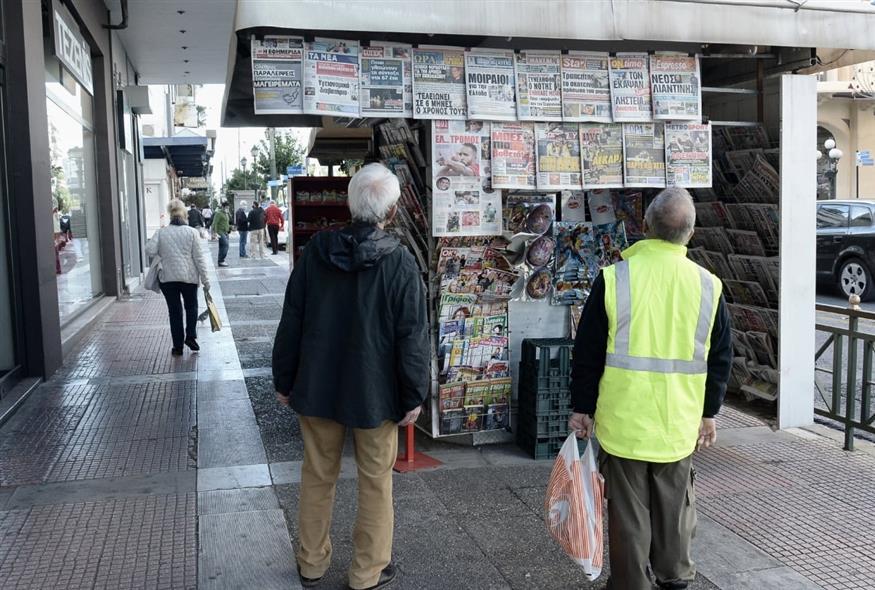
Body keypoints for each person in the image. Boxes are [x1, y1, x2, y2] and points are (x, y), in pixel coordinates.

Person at [272, 163, 429, 590]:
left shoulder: (315, 254)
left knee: (317, 473)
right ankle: (367, 571)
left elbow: (292, 322)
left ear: (348, 203)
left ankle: (311, 562)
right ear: (392, 212)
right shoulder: (399, 263)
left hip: (317, 385)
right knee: (376, 481)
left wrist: (284, 381)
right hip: (376, 393)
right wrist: (414, 395)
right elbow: (411, 337)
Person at [568, 187, 732, 590]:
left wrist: (581, 408)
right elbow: (721, 357)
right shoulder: (708, 286)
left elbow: (587, 352)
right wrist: (709, 413)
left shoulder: (614, 279)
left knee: (629, 514)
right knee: (676, 507)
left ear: (644, 227)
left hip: (624, 422)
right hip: (678, 423)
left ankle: (630, 583)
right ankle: (675, 576)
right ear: (690, 235)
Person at [145, 199, 210, 357]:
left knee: (174, 312)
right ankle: (191, 336)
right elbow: (199, 259)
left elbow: (150, 250)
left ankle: (177, 346)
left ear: (170, 214)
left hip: (168, 279)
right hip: (189, 278)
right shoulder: (192, 232)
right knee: (191, 307)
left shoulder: (161, 232)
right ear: (184, 214)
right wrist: (206, 280)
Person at [213, 201, 231, 267]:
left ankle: (220, 261)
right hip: (220, 232)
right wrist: (214, 232)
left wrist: (230, 228)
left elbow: (226, 223)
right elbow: (215, 223)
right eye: (226, 207)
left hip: (226, 232)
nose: (227, 209)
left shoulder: (226, 213)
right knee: (226, 245)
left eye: (228, 207)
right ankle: (221, 260)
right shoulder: (218, 213)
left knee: (222, 247)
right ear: (223, 207)